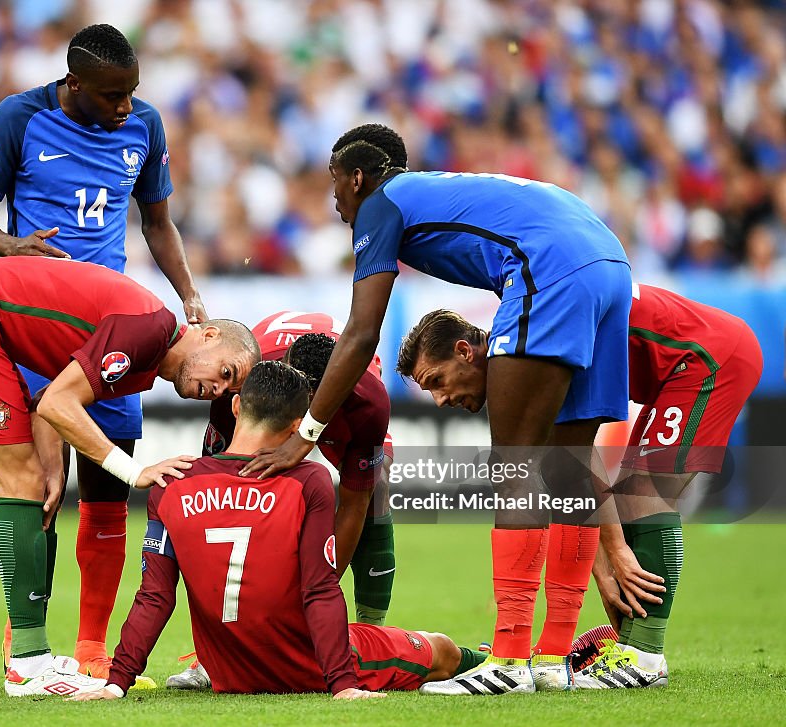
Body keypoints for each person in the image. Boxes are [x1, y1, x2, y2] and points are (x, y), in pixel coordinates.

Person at [242, 123, 633, 695]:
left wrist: (308, 431)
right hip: (609, 263)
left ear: (357, 176)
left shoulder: (380, 202)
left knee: (515, 467)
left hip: (548, 264)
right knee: (570, 461)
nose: (335, 200)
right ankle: (553, 659)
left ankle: (509, 659)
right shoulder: (436, 189)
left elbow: (359, 333)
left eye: (335, 184)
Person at [0, 23, 206, 677]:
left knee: (104, 491)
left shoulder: (145, 125)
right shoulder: (20, 116)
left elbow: (157, 221)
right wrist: (13, 248)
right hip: (35, 328)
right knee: (38, 490)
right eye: (111, 95)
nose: (124, 106)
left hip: (109, 334)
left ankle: (93, 651)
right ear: (73, 84)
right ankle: (28, 642)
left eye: (131, 93)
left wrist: (189, 296)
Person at [0, 256, 258, 696]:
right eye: (226, 372)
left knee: (34, 487)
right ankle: (28, 664)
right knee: (21, 483)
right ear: (208, 333)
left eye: (229, 388)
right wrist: (133, 469)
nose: (219, 389)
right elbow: (58, 405)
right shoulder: (149, 329)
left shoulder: (149, 350)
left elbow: (51, 391)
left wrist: (53, 466)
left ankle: (32, 656)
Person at [395, 284, 762, 689]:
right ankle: (629, 647)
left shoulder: (526, 351)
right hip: (683, 364)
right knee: (624, 498)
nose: (439, 400)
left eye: (436, 381)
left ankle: (644, 657)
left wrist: (616, 551)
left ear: (465, 351)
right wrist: (605, 565)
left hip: (709, 357)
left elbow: (573, 456)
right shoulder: (519, 342)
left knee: (644, 492)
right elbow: (575, 460)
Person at [70, 361, 487, 702]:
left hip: (225, 670)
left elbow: (155, 596)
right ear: (297, 429)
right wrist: (342, 683)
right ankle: (486, 661)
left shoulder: (172, 484)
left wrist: (116, 681)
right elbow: (320, 589)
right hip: (307, 661)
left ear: (235, 408)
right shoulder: (308, 481)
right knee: (443, 650)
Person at [168, 316, 396, 690]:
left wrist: (311, 608)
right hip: (274, 353)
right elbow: (219, 499)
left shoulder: (367, 403)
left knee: (374, 491)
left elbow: (352, 507)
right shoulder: (245, 384)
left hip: (344, 379)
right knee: (236, 491)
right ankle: (216, 653)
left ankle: (367, 634)